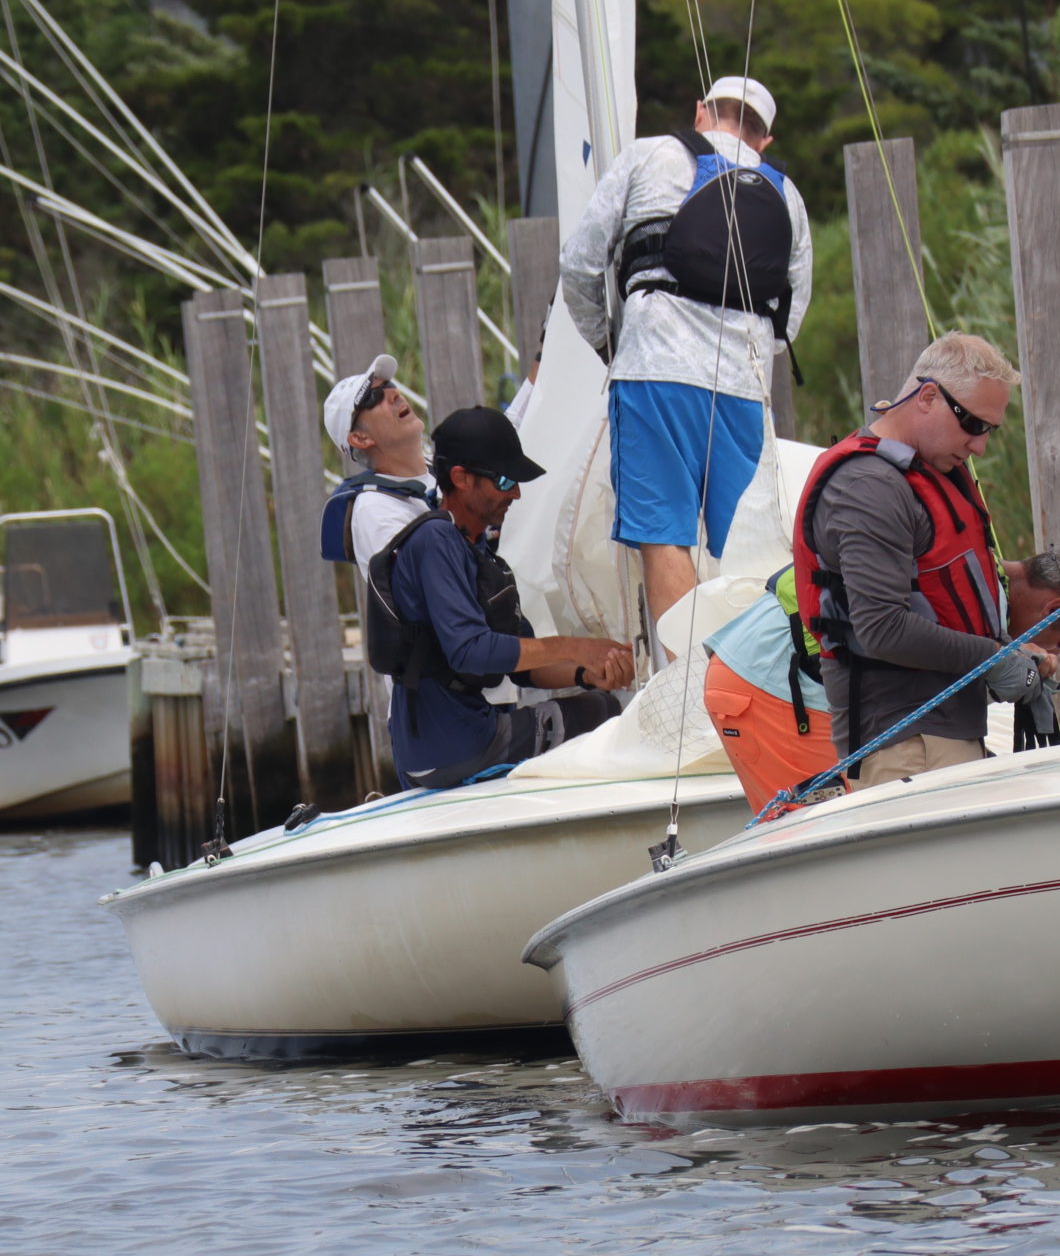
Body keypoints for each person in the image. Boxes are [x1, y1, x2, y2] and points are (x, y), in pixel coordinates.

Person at [789, 333, 1060, 789]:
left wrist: (1012, 656)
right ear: (927, 397)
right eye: (973, 425)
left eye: (989, 431)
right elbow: (880, 627)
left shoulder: (931, 475)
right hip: (907, 748)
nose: (979, 447)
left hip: (937, 741)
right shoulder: (868, 488)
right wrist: (996, 658)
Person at [559, 74, 814, 626]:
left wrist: (611, 344)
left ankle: (684, 686)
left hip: (654, 370)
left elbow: (578, 263)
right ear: (764, 139)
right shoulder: (785, 192)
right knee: (750, 547)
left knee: (663, 536)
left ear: (701, 112)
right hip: (744, 389)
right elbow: (790, 312)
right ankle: (749, 687)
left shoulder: (648, 156)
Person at [699, 541, 1060, 805]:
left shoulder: (977, 571)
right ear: (1052, 609)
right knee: (823, 835)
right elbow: (907, 641)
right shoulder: (971, 590)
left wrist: (1001, 655)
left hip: (787, 679)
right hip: (767, 683)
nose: (1052, 654)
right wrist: (1002, 654)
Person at [364, 407, 637, 788]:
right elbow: (471, 650)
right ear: (460, 478)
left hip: (461, 739)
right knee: (603, 713)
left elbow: (522, 664)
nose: (517, 493)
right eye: (506, 480)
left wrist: (587, 673)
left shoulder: (477, 552)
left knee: (598, 699)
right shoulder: (435, 541)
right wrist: (575, 646)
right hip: (454, 748)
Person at [319, 354, 436, 568]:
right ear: (360, 438)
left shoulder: (442, 467)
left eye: (390, 384)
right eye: (373, 396)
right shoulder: (374, 511)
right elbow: (428, 586)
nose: (394, 394)